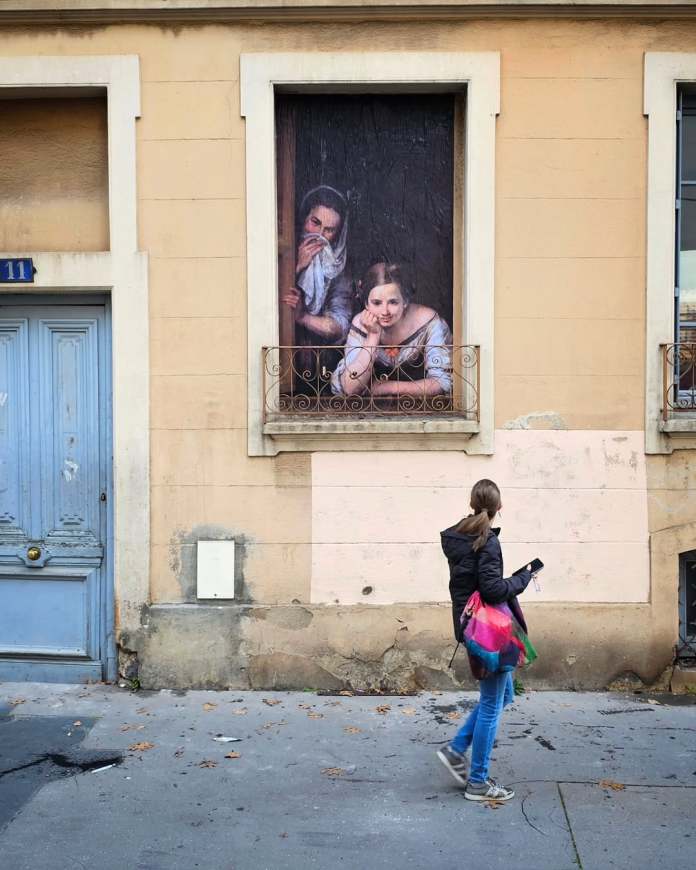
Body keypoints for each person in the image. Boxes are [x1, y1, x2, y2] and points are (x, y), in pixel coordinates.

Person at [437, 478, 534, 802]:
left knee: (503, 695)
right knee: (492, 703)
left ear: (471, 503)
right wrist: (523, 578)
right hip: (488, 630)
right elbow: (492, 590)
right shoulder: (486, 540)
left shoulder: (457, 536)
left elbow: (475, 583)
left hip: (470, 624)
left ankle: (456, 749)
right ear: (499, 507)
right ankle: (477, 782)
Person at [330, 261, 452, 399]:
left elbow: (442, 383)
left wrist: (387, 387)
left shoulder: (428, 321)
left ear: (405, 301)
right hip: (372, 409)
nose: (385, 311)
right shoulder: (361, 323)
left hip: (421, 406)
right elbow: (350, 388)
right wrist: (373, 336)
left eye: (393, 302)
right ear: (366, 304)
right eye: (377, 303)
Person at [281, 185, 353, 346]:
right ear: (304, 218)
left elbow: (340, 325)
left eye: (329, 230)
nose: (319, 235)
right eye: (315, 223)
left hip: (318, 351)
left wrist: (303, 317)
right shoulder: (285, 249)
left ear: (337, 235)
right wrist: (297, 267)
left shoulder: (338, 268)